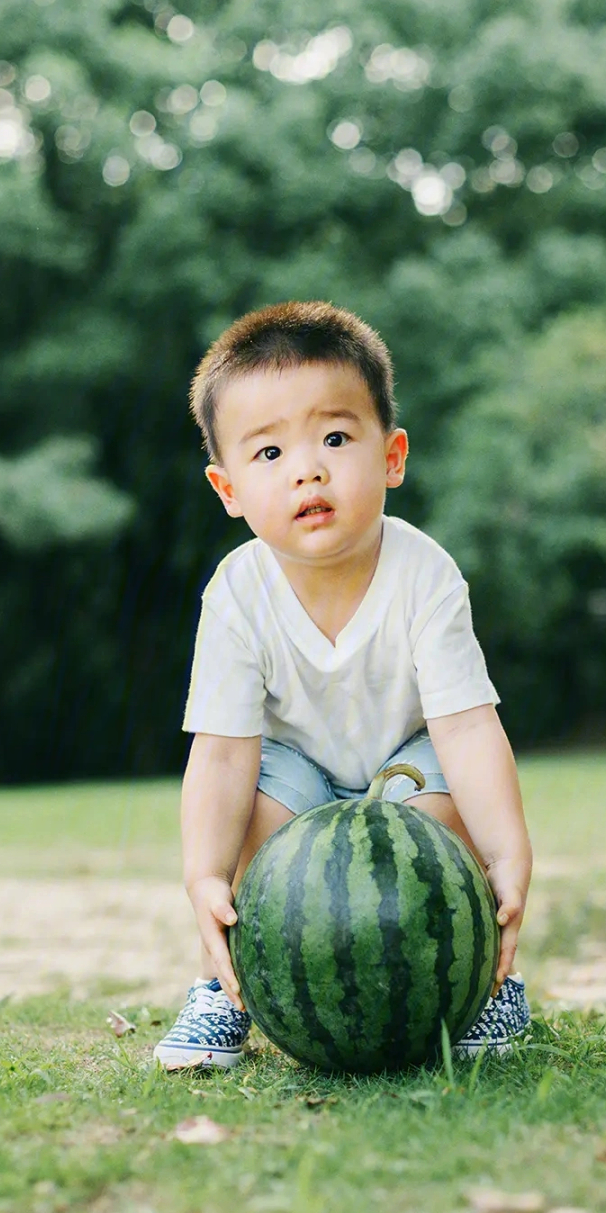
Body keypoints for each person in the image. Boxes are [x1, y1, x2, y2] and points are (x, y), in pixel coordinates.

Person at [154, 301, 532, 1069]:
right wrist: (202, 876)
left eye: (334, 437)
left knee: (443, 812)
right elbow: (222, 754)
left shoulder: (426, 574)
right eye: (269, 455)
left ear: (391, 456)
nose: (307, 468)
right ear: (227, 489)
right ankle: (221, 988)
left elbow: (465, 727)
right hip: (294, 768)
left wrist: (508, 851)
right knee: (250, 822)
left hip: (406, 754)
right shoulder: (235, 593)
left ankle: (484, 981)